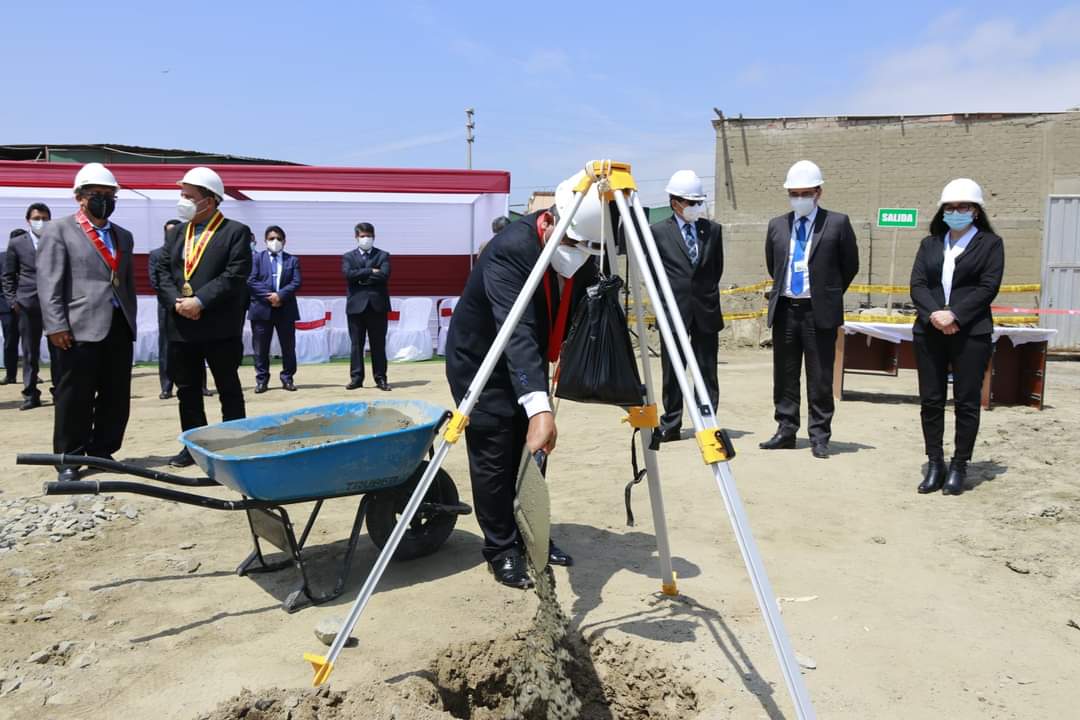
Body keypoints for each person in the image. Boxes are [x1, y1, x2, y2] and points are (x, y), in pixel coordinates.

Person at [445, 171, 598, 589]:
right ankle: (501, 548)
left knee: (531, 453)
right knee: (496, 451)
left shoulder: (584, 248)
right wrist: (539, 406)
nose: (578, 255)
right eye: (572, 245)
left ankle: (534, 534)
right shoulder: (509, 250)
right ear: (549, 222)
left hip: (529, 359)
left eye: (588, 249)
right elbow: (517, 332)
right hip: (484, 362)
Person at [37, 163, 137, 482]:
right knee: (74, 394)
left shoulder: (123, 235)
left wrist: (131, 319)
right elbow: (49, 281)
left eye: (110, 195)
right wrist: (55, 325)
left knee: (115, 393)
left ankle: (103, 451)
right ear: (80, 198)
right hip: (77, 326)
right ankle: (69, 457)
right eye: (98, 194)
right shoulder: (59, 230)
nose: (105, 200)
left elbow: (126, 281)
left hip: (117, 324)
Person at [154, 167, 253, 468]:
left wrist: (201, 300)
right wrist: (177, 302)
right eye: (182, 195)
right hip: (182, 326)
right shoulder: (178, 233)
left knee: (228, 386)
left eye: (188, 196)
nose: (182, 201)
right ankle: (194, 445)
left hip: (219, 326)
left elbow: (235, 274)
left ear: (208, 201)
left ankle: (235, 443)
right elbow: (161, 272)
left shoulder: (234, 232)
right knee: (187, 390)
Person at [911, 178, 1003, 496]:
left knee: (966, 402)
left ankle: (959, 465)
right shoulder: (930, 244)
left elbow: (987, 287)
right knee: (931, 400)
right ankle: (935, 463)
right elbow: (918, 284)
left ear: (976, 211)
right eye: (950, 207)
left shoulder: (990, 244)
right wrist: (935, 315)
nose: (956, 211)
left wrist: (956, 315)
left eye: (963, 207)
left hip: (971, 333)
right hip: (930, 330)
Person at [761, 160, 859, 459]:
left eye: (805, 192)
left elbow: (850, 266)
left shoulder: (838, 223)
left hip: (819, 312)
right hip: (786, 310)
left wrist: (826, 294)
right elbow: (773, 264)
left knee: (819, 375)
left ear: (818, 192)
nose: (799, 198)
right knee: (785, 374)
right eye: (794, 193)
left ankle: (819, 435)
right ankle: (786, 430)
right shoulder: (777, 225)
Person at [649, 170, 724, 442]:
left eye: (698, 202)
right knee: (672, 371)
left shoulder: (713, 231)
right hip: (673, 311)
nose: (695, 207)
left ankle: (707, 421)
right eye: (689, 202)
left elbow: (716, 269)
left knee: (706, 369)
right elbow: (652, 273)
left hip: (705, 310)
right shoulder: (657, 233)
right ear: (674, 202)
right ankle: (672, 423)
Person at [3, 203, 58, 408]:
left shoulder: (57, 239)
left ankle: (59, 391)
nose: (40, 222)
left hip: (54, 302)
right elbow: (8, 275)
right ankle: (30, 393)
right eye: (37, 218)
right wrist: (13, 301)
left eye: (44, 218)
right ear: (28, 220)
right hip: (27, 302)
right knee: (29, 350)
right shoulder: (17, 243)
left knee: (59, 348)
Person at [248, 225, 301, 393]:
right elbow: (251, 280)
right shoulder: (256, 259)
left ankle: (287, 378)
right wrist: (270, 296)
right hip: (261, 309)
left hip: (285, 309)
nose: (275, 241)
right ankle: (262, 380)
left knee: (288, 347)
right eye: (271, 239)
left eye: (278, 238)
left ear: (284, 241)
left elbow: (296, 282)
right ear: (265, 241)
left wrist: (280, 296)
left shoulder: (292, 260)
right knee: (260, 348)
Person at [343, 222, 391, 391]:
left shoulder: (383, 255)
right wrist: (371, 271)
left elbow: (384, 276)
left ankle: (381, 378)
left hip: (377, 306)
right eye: (363, 236)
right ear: (356, 237)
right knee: (356, 344)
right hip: (356, 307)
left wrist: (361, 277)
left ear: (374, 237)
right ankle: (356, 378)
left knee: (378, 344)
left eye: (369, 236)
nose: (366, 239)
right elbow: (348, 275)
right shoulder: (348, 256)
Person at [149, 219, 182, 399]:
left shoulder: (190, 253)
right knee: (167, 348)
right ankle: (167, 386)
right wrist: (175, 300)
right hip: (167, 307)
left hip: (189, 306)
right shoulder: (156, 254)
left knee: (195, 346)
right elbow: (156, 282)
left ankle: (201, 385)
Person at [0, 236, 19, 384]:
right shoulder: (3, 258)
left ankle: (32, 374)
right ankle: (10, 374)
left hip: (29, 305)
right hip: (7, 307)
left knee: (31, 342)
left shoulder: (31, 256)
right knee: (10, 341)